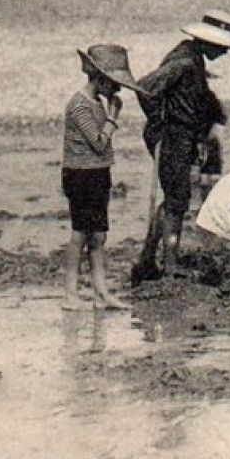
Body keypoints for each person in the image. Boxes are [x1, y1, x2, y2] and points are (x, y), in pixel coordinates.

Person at [134, 9, 230, 282]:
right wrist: (160, 121)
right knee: (177, 200)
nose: (226, 53)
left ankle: (147, 257)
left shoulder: (193, 59)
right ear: (210, 41)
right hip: (172, 136)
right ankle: (169, 265)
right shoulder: (184, 61)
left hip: (183, 135)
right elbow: (145, 88)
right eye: (223, 46)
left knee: (174, 198)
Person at [61, 45, 141, 312]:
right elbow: (98, 142)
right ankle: (70, 294)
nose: (117, 90)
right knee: (80, 234)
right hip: (80, 174)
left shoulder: (95, 103)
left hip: (98, 172)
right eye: (114, 84)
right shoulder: (79, 105)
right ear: (100, 78)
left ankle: (101, 293)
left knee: (99, 236)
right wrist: (114, 117)